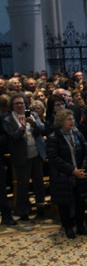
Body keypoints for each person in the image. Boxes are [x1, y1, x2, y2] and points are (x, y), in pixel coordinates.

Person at [46, 109, 87, 238]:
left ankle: (80, 226)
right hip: (63, 175)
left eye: (73, 119)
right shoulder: (53, 137)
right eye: (69, 119)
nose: (72, 121)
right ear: (61, 122)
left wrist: (82, 169)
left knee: (80, 201)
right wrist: (72, 171)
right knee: (64, 203)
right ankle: (68, 228)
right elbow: (54, 158)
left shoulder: (77, 134)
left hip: (79, 173)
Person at [3, 93, 46, 222]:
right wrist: (21, 129)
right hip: (21, 156)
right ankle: (23, 211)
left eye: (21, 103)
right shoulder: (8, 119)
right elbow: (11, 138)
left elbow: (43, 129)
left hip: (36, 153)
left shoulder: (32, 114)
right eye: (17, 103)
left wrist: (34, 123)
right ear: (12, 105)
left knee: (39, 182)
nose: (20, 105)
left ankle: (40, 208)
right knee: (23, 185)